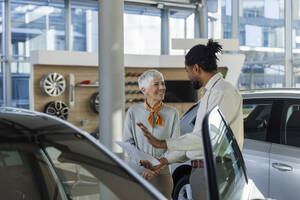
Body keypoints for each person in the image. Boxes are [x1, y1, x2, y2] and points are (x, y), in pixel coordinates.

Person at [137, 39, 244, 200]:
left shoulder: (223, 92)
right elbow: (197, 141)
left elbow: (207, 139)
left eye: (188, 71)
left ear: (196, 68)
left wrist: (163, 143)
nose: (188, 76)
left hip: (215, 173)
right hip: (204, 172)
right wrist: (164, 160)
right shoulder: (210, 93)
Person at [123, 69, 183, 199]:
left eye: (163, 83)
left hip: (162, 177)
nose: (162, 88)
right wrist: (144, 166)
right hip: (137, 175)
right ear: (144, 90)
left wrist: (155, 168)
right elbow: (128, 143)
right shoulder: (133, 112)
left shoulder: (173, 113)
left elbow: (174, 146)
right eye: (156, 84)